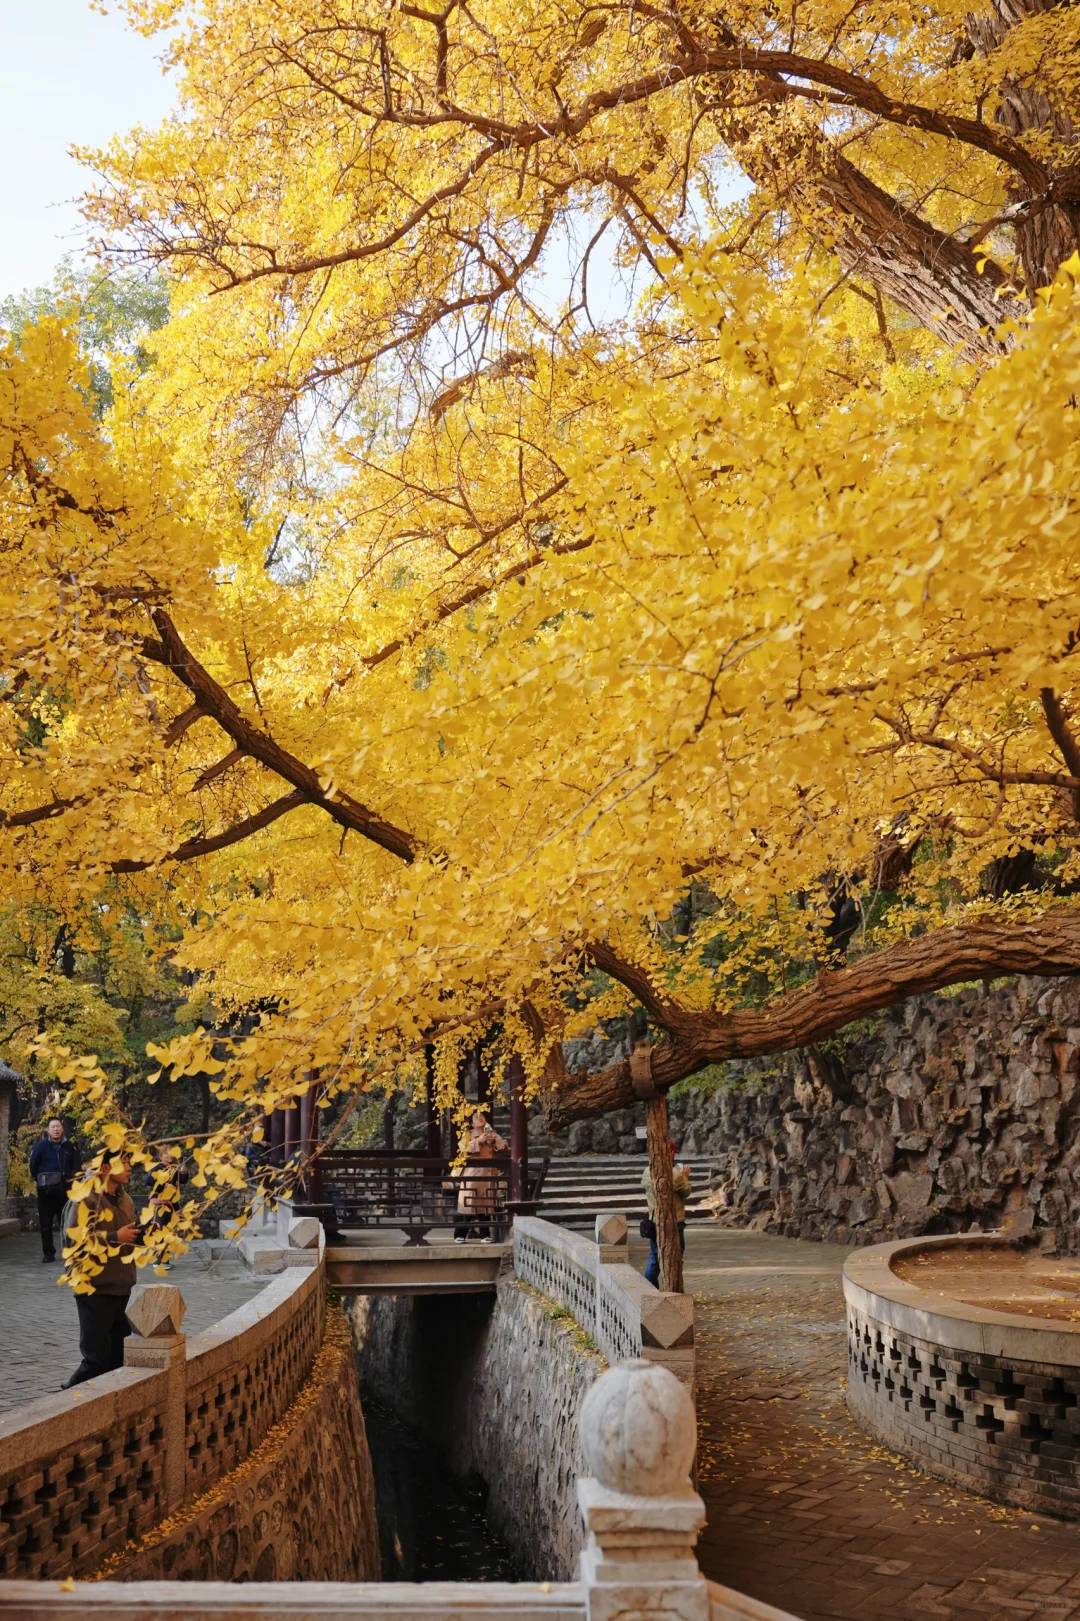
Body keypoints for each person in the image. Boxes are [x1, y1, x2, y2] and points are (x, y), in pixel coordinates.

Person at [62, 1153, 139, 1387]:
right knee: (96, 1361)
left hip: (122, 1287)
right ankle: (66, 1404)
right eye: (122, 1162)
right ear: (105, 1167)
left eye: (128, 1162)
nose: (128, 1167)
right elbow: (72, 1240)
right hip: (93, 1287)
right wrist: (115, 1236)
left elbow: (126, 1238)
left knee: (118, 1360)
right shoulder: (84, 1197)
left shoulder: (126, 1200)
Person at [29, 1117, 82, 1264]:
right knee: (45, 1224)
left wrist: (74, 1183)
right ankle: (48, 1253)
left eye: (58, 1126)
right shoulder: (41, 1146)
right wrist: (39, 1181)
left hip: (65, 1192)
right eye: (53, 1127)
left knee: (67, 1223)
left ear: (62, 1128)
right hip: (46, 1192)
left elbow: (77, 1167)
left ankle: (69, 1251)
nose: (56, 1129)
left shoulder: (69, 1147)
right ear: (48, 1129)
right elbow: (33, 1165)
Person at [641, 1139, 691, 1287]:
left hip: (654, 1220)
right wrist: (685, 1177)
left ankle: (650, 1288)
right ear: (669, 1153)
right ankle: (668, 1288)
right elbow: (686, 1192)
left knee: (654, 1257)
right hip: (675, 1222)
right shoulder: (674, 1174)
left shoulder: (646, 1171)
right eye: (672, 1153)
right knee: (675, 1255)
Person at [454, 1112, 508, 1243]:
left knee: (485, 1204)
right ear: (472, 1124)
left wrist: (494, 1139)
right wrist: (478, 1141)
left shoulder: (492, 1133)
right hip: (472, 1174)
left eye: (482, 1116)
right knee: (468, 1204)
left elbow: (504, 1146)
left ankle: (485, 1234)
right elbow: (462, 1148)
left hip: (488, 1173)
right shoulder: (468, 1134)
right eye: (476, 1118)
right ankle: (460, 1235)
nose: (479, 1118)